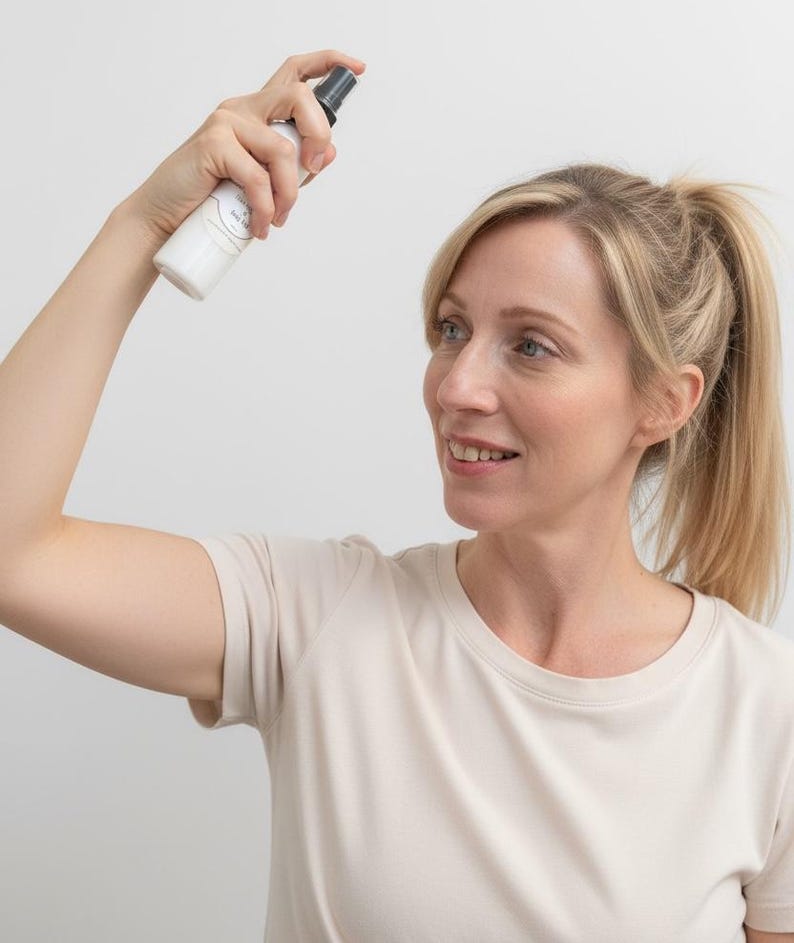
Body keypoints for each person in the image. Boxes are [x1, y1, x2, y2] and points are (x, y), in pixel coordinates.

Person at [1, 48, 792, 943]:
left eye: (531, 345)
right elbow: (10, 552)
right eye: (452, 330)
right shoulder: (316, 617)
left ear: (664, 401)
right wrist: (144, 222)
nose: (457, 386)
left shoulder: (765, 712)